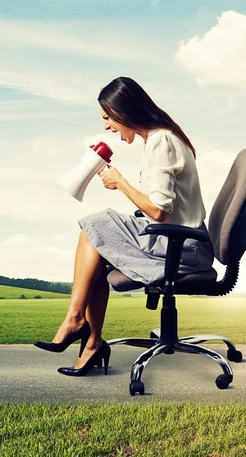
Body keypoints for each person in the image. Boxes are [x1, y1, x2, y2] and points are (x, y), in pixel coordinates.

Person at [34, 77, 214, 376]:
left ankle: (78, 324)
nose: (107, 127)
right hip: (176, 241)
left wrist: (121, 183)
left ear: (124, 111)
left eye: (108, 117)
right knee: (95, 242)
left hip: (183, 247)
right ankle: (90, 341)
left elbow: (158, 210)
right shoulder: (158, 141)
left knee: (95, 224)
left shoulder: (162, 141)